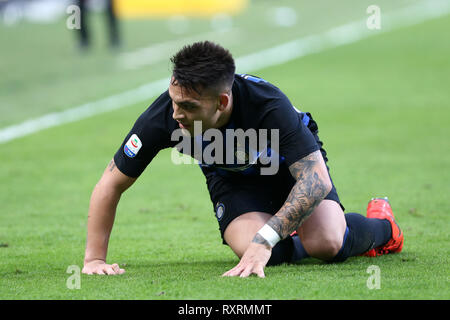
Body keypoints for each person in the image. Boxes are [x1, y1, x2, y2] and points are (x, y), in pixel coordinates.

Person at [82, 41, 404, 277]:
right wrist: (94, 259)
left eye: (189, 106)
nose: (176, 114)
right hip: (233, 180)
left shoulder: (268, 105)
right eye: (173, 100)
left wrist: (267, 235)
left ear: (222, 101)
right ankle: (285, 232)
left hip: (289, 173)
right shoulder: (166, 115)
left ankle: (384, 227)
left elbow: (315, 179)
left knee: (327, 242)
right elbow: (111, 183)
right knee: (258, 250)